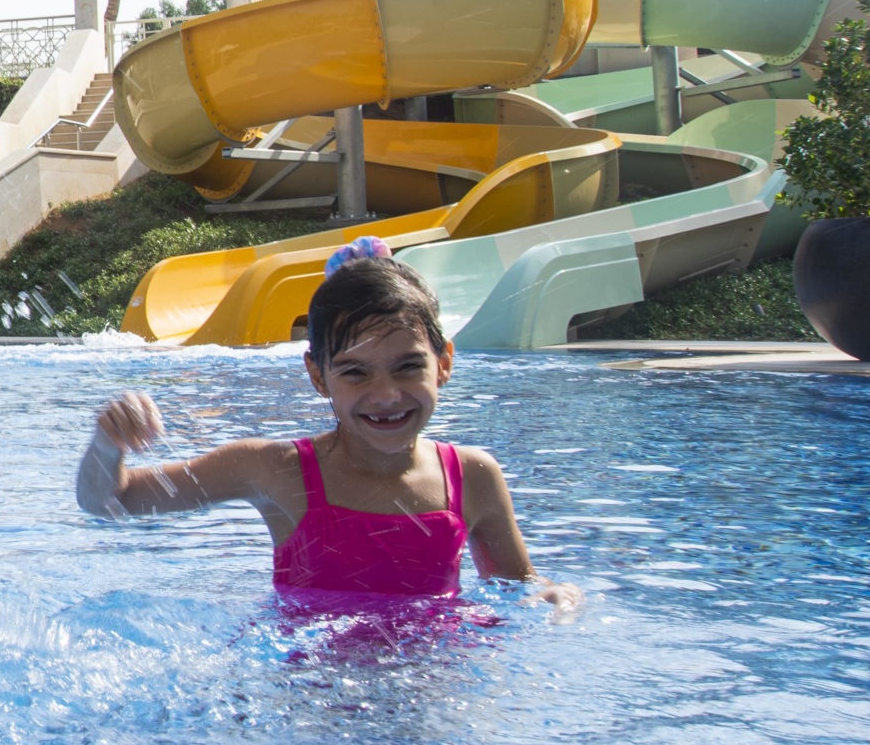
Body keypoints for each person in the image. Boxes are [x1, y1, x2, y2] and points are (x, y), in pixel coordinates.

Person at [76, 241, 579, 609]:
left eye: (408, 366)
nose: (385, 395)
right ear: (317, 375)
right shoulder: (273, 470)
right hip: (310, 702)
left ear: (443, 363)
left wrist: (554, 599)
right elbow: (109, 502)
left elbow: (517, 591)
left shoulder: (472, 477)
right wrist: (106, 447)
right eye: (355, 373)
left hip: (431, 692)